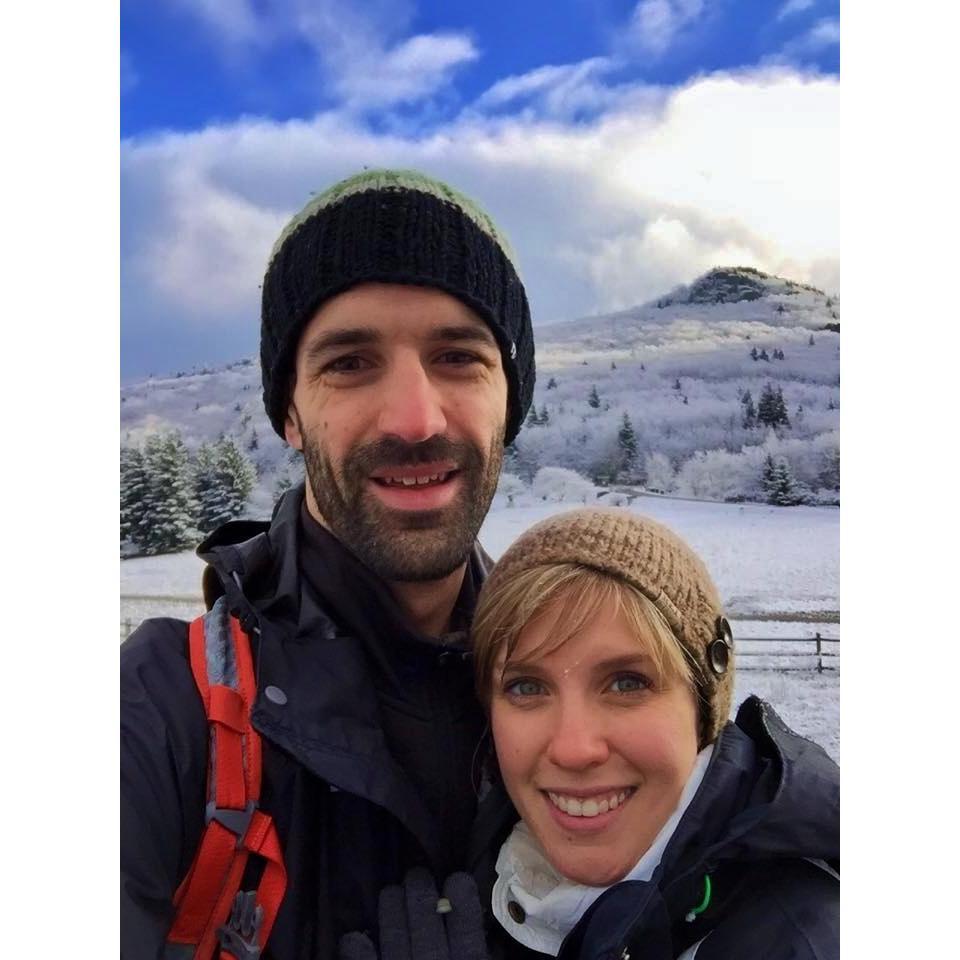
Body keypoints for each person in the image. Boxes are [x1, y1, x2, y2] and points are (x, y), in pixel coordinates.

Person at [120, 168, 536, 959]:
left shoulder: (585, 687)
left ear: (509, 401)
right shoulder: (159, 714)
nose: (415, 420)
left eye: (458, 356)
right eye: (349, 363)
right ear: (289, 412)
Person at [467, 507, 840, 960]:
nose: (573, 749)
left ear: (702, 708)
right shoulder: (501, 885)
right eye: (527, 687)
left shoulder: (806, 942)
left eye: (627, 683)